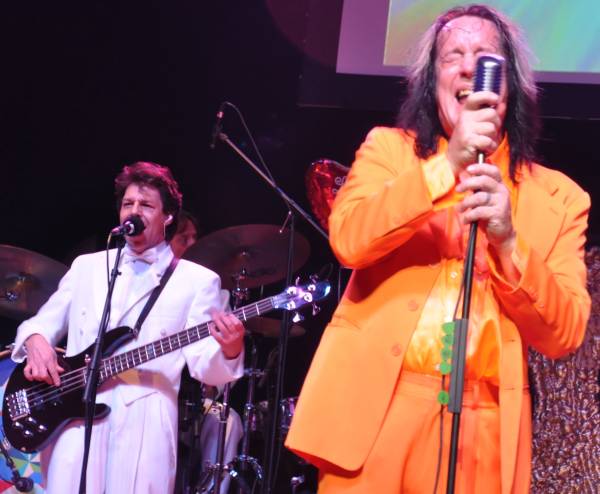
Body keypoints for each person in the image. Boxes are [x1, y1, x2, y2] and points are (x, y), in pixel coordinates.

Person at [286, 5, 590, 494]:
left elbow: (565, 332)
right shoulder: (388, 152)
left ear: (510, 82)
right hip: (381, 413)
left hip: (487, 424)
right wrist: (444, 165)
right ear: (431, 80)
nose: (470, 67)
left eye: (486, 56)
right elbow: (350, 239)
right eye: (454, 56)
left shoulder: (560, 198)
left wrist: (509, 241)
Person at [12, 161, 245, 493]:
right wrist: (36, 342)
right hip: (75, 419)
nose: (134, 211)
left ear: (167, 216)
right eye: (128, 204)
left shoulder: (196, 281)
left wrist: (231, 347)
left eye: (146, 205)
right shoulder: (87, 268)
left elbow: (205, 366)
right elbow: (40, 324)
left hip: (145, 425)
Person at [170, 210, 244, 494]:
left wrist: (230, 348)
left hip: (194, 400)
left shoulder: (215, 292)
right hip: (154, 392)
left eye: (194, 238)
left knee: (228, 422)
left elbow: (222, 378)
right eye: (183, 238)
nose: (192, 244)